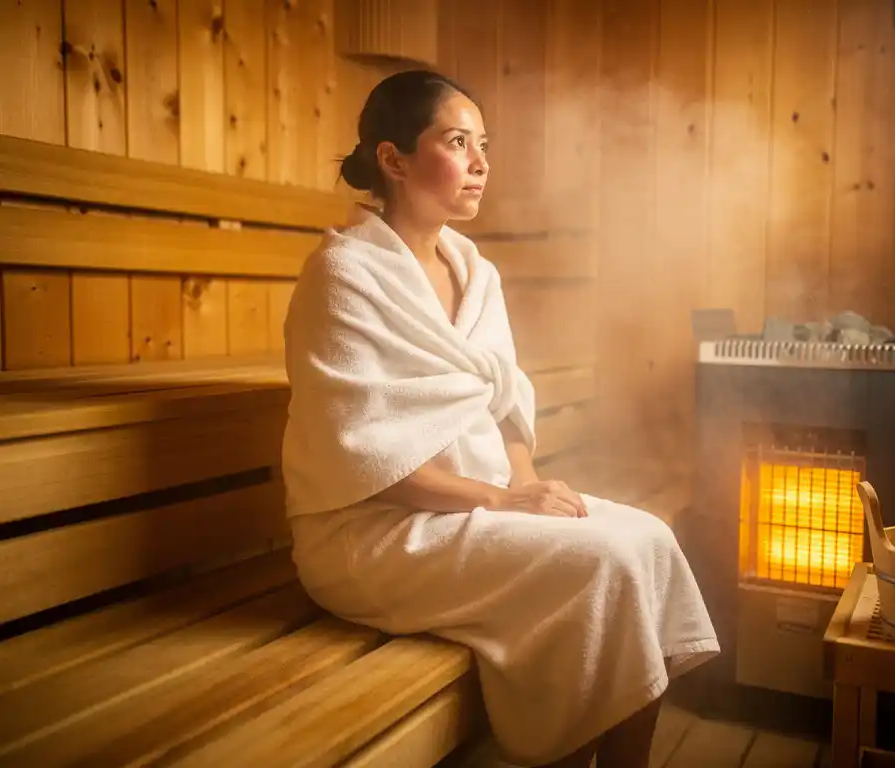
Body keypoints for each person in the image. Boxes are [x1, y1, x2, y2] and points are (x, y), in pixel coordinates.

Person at [280, 69, 718, 768]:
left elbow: (507, 403)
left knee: (650, 541)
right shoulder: (344, 276)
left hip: (473, 509)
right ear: (393, 160)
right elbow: (359, 456)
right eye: (457, 142)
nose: (481, 163)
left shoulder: (475, 271)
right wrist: (503, 500)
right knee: (601, 563)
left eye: (483, 143)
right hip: (372, 531)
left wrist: (522, 490)